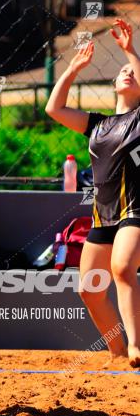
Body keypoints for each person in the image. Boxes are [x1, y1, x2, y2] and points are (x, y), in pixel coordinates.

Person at [45, 18, 140, 368]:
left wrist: (130, 51)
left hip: (136, 211)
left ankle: (135, 346)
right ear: (112, 84)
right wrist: (72, 69)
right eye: (122, 73)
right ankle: (117, 352)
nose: (127, 75)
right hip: (105, 214)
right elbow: (53, 109)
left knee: (123, 268)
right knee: (89, 288)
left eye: (132, 73)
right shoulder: (98, 124)